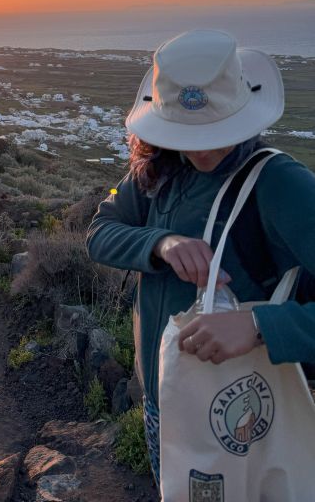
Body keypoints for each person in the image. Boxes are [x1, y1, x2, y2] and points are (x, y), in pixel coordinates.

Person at [85, 29, 315, 486]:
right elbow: (99, 233)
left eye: (216, 131)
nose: (204, 148)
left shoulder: (281, 184)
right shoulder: (158, 170)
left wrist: (258, 327)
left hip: (249, 412)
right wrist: (160, 243)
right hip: (165, 399)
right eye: (188, 133)